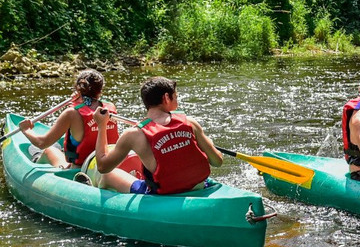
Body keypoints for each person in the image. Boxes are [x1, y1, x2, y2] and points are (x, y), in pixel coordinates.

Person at [92, 76, 222, 195]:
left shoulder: (133, 134)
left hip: (163, 195)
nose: (177, 100)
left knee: (107, 175)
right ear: (166, 98)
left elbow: (103, 167)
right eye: (175, 96)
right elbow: (217, 161)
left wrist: (101, 125)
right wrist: (208, 143)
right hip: (198, 187)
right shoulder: (190, 122)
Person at [19, 69, 135, 190]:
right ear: (100, 90)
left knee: (49, 150)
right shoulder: (110, 108)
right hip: (110, 166)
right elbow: (89, 106)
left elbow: (41, 143)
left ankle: (36, 159)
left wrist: (26, 129)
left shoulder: (71, 113)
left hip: (79, 168)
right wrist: (78, 100)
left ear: (78, 88)